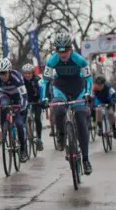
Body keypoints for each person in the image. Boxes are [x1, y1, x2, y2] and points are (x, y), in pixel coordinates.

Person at [40, 31, 93, 175]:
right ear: (56, 50)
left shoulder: (80, 60)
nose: (63, 54)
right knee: (57, 111)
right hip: (60, 87)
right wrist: (44, 98)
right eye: (59, 50)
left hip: (78, 88)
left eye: (66, 50)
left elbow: (88, 79)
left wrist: (88, 93)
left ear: (71, 49)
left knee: (81, 120)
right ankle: (61, 135)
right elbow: (45, 81)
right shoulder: (51, 61)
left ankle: (86, 160)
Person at [0, 57, 29, 162]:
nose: (3, 76)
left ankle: (23, 151)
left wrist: (23, 107)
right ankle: (4, 129)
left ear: (9, 71)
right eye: (0, 73)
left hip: (17, 97)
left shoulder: (16, 77)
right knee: (3, 105)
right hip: (5, 96)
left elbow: (24, 95)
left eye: (5, 73)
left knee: (20, 124)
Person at [21, 63, 44, 150]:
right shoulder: (21, 81)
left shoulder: (38, 80)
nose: (27, 75)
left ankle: (39, 139)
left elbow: (42, 90)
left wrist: (42, 101)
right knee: (23, 118)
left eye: (29, 73)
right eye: (25, 73)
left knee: (37, 118)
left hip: (36, 101)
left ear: (33, 73)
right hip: (26, 102)